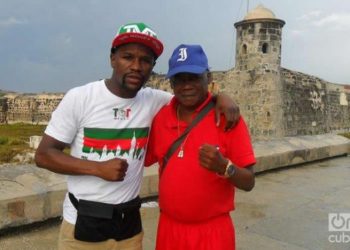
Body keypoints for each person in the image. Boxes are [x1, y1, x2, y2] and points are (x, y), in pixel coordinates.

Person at [35, 23, 240, 250]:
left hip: (129, 227)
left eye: (145, 60)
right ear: (113, 59)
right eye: (128, 57)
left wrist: (222, 96)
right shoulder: (81, 98)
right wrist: (97, 168)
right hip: (82, 225)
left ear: (152, 66)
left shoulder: (154, 100)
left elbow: (192, 94)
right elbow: (44, 155)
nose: (136, 66)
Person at [145, 44, 256, 250]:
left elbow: (249, 182)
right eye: (179, 79)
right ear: (171, 83)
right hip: (170, 230)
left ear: (209, 77)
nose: (186, 85)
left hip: (212, 233)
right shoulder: (161, 118)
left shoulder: (227, 118)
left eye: (193, 77)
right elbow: (141, 158)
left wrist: (225, 167)